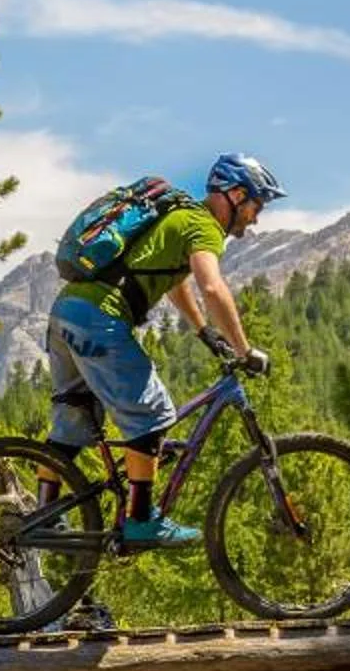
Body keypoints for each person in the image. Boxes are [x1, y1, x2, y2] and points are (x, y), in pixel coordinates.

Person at [46, 152, 281, 547]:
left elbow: (176, 283)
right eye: (257, 205)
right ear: (237, 195)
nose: (255, 218)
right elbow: (212, 288)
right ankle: (141, 521)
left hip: (66, 313)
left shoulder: (179, 217)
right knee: (153, 413)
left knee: (74, 420)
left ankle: (43, 514)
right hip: (100, 318)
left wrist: (204, 331)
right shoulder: (203, 225)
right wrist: (244, 350)